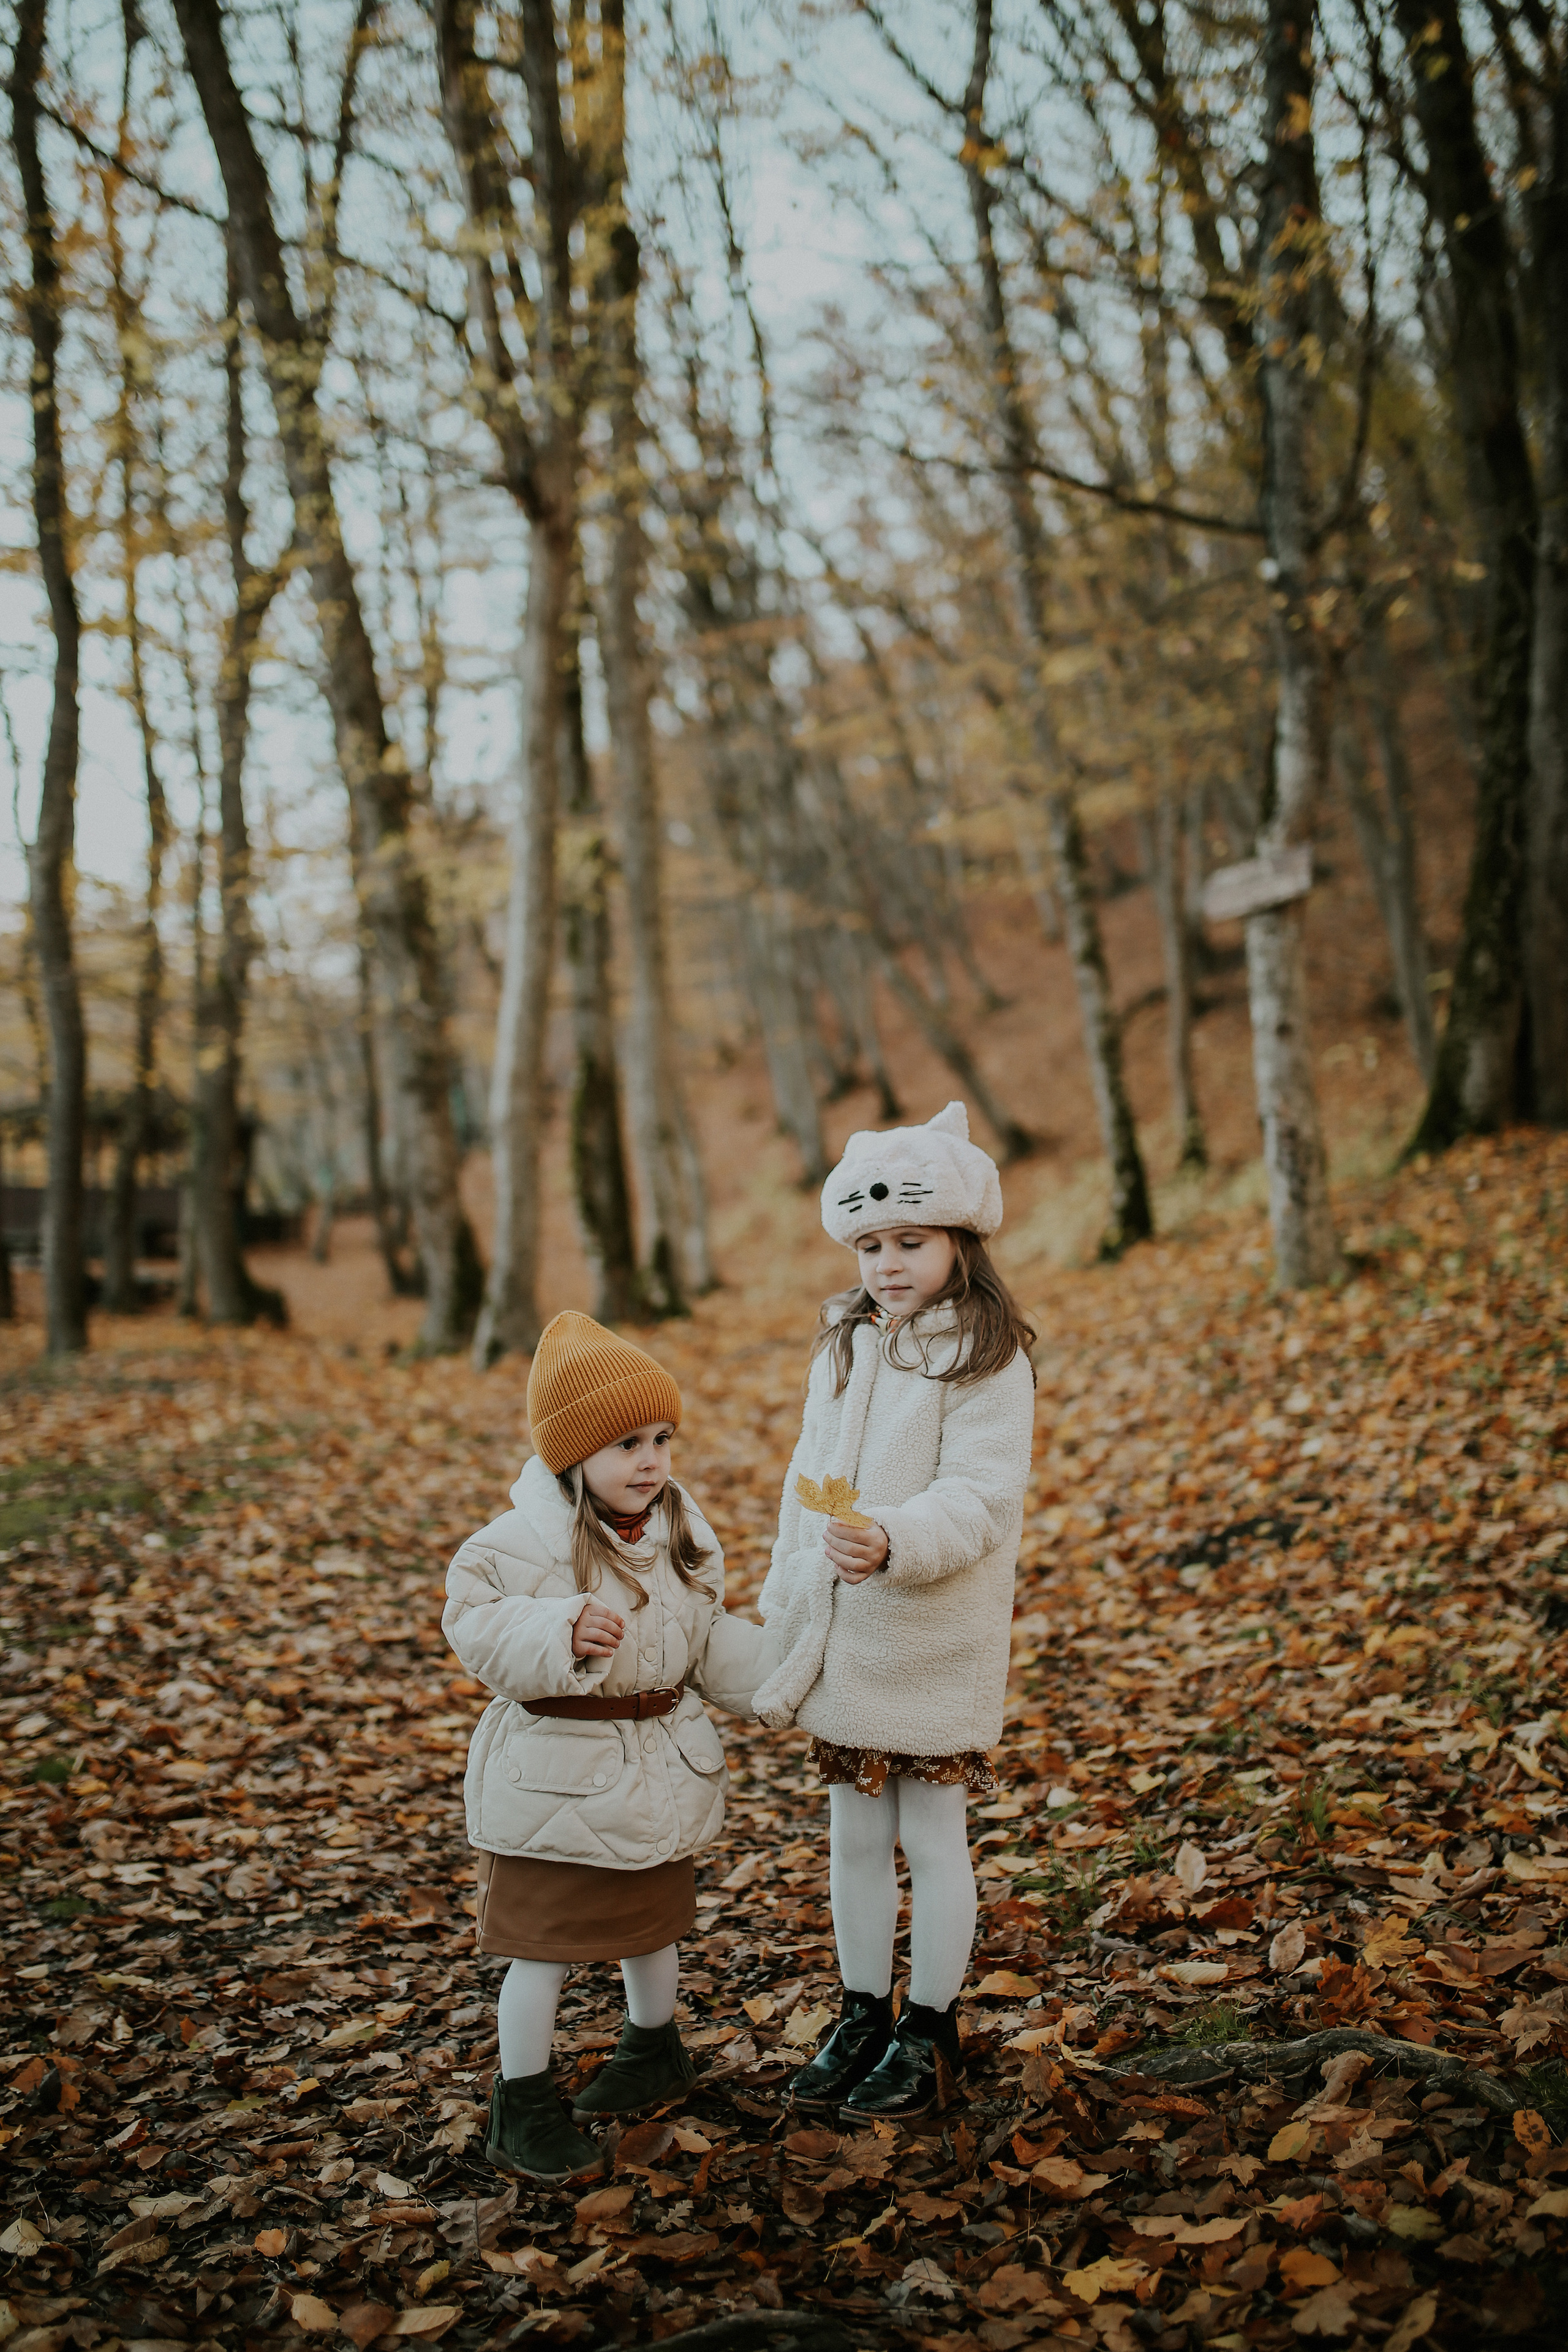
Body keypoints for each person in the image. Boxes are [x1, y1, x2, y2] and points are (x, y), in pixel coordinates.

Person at [754, 1101, 1036, 2121]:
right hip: (843, 1635)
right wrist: (787, 1587)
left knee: (932, 1832)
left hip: (930, 1634)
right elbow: (804, 1479)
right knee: (853, 1838)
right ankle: (862, 2009)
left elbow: (984, 1495)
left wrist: (897, 1539)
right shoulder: (844, 1343)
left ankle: (932, 2025)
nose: (887, 1263)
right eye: (870, 1244)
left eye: (910, 1241)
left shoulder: (987, 1353)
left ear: (963, 1240)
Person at [443, 1311, 767, 2183]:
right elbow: (474, 1626)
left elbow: (704, 1642)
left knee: (650, 1926)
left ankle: (653, 2047)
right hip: (558, 1781)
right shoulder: (516, 1545)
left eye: (662, 1438)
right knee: (541, 1948)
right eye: (627, 1444)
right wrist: (556, 1630)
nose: (652, 1461)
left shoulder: (681, 1535)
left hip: (653, 1772)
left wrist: (786, 1676)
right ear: (571, 1454)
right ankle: (523, 2102)